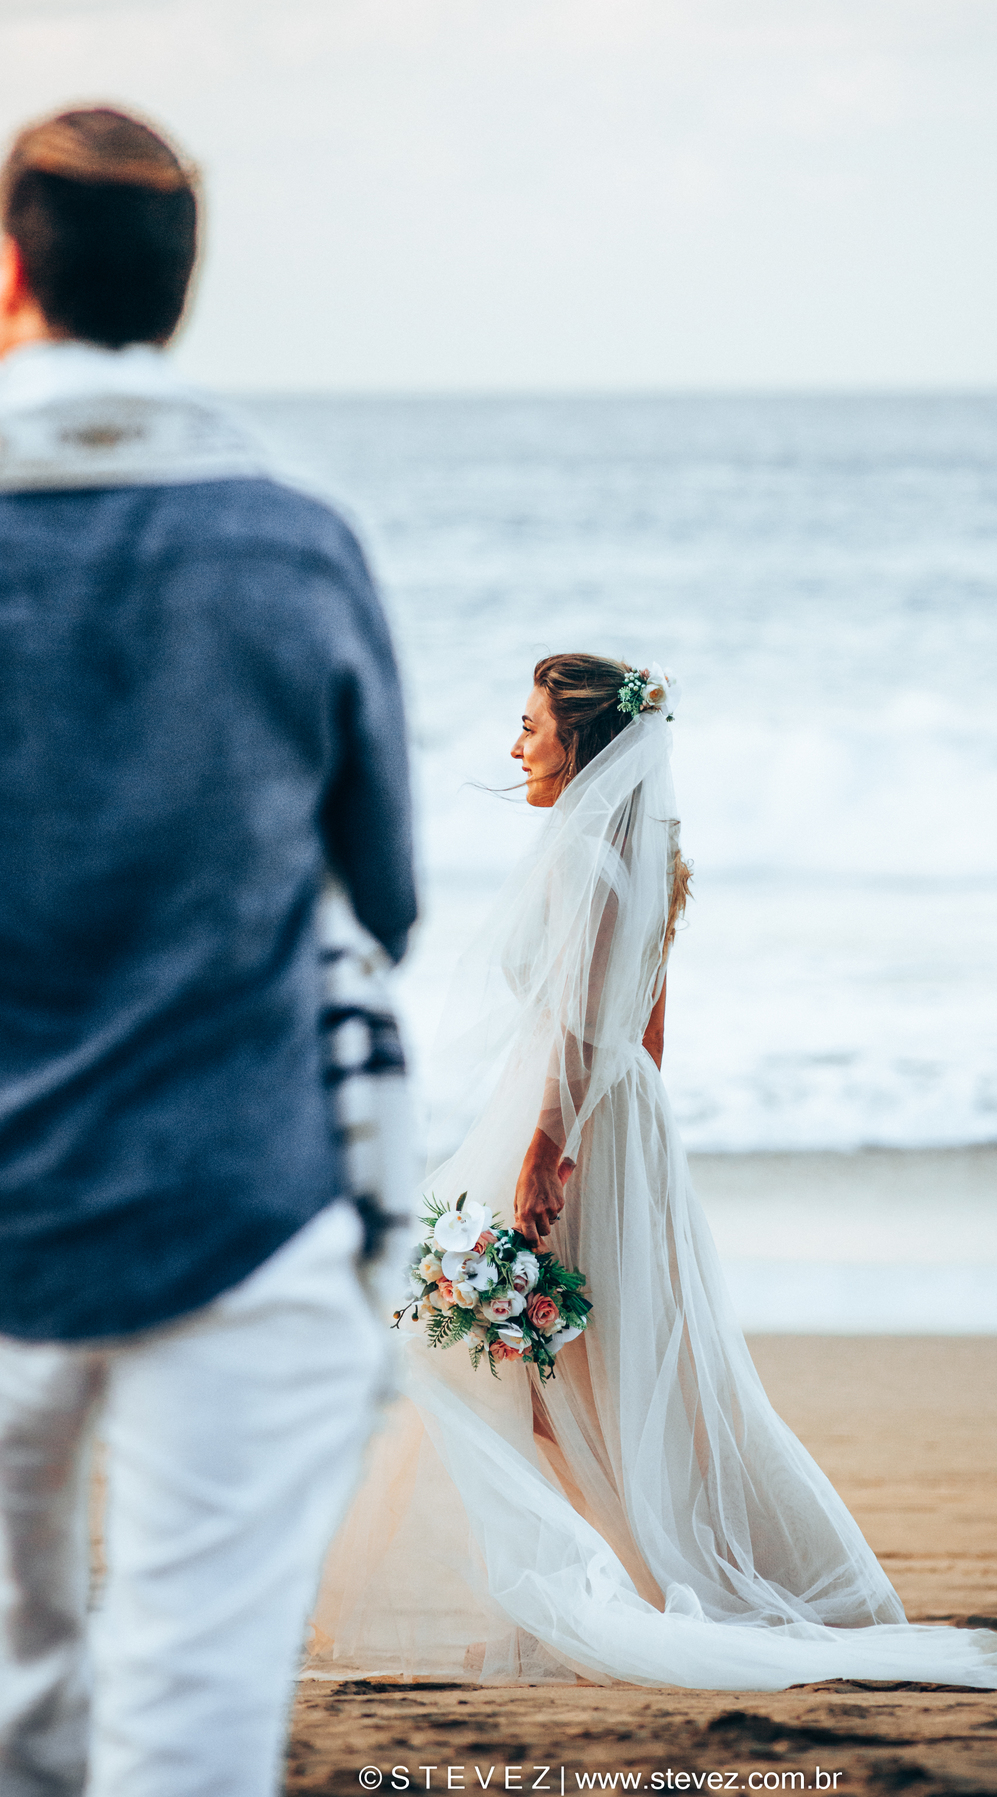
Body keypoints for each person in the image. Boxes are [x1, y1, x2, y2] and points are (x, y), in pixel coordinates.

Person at [310, 654, 997, 1692]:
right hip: (617, 1125)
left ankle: (573, 1601)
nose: (515, 746)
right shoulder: (644, 855)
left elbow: (577, 1023)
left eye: (530, 726)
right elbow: (648, 1034)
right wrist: (618, 1145)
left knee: (508, 1363)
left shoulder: (586, 860)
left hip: (568, 1127)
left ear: (581, 743)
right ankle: (565, 1601)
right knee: (571, 1369)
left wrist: (545, 1155)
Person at [0, 108, 416, 1797]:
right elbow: (378, 896)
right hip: (230, 1211)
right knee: (190, 1740)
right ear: (179, 290)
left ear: (10, 272)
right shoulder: (297, 539)